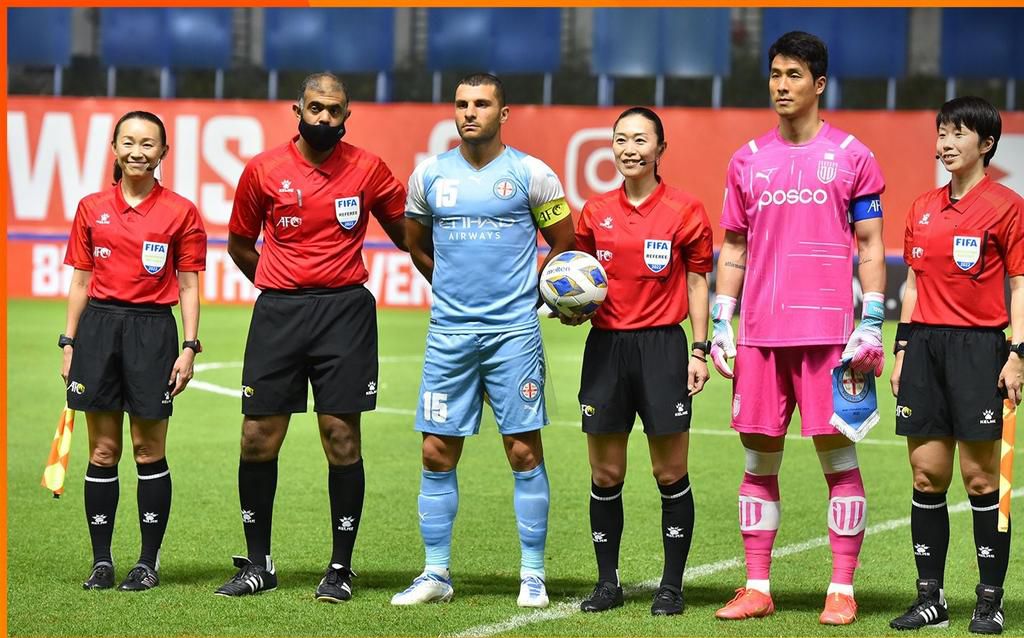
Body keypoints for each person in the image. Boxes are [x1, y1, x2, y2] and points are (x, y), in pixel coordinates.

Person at [709, 31, 887, 625]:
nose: (781, 86)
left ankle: (842, 589)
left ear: (819, 83)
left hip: (829, 339)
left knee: (840, 463)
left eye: (793, 75)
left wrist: (873, 320)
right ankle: (757, 586)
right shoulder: (747, 159)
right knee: (758, 463)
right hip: (760, 335)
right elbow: (735, 245)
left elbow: (870, 244)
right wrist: (721, 320)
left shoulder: (853, 156)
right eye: (775, 74)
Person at [214, 72, 407, 602]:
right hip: (279, 313)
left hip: (345, 313)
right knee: (257, 436)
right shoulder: (262, 169)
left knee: (341, 436)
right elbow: (239, 244)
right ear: (297, 109)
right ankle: (258, 564)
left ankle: (340, 568)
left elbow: (410, 237)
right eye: (316, 108)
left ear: (347, 115)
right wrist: (280, 285)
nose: (325, 117)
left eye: (334, 110)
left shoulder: (369, 168)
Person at [391, 73, 575, 609]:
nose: (470, 112)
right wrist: (448, 286)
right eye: (462, 104)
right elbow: (415, 244)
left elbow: (564, 242)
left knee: (523, 449)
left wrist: (533, 295)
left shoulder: (532, 174)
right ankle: (436, 573)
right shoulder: (429, 175)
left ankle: (533, 575)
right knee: (435, 450)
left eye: (481, 104)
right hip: (449, 334)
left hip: (514, 335)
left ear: (503, 113)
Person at [569, 107, 713, 616]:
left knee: (669, 470)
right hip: (606, 348)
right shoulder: (594, 211)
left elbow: (697, 281)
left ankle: (671, 586)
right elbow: (578, 276)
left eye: (639, 140)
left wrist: (699, 348)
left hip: (662, 349)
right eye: (620, 139)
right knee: (606, 472)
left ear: (660, 149)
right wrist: (572, 309)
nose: (629, 149)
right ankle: (607, 583)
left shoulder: (685, 209)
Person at [888, 96, 1023, 634]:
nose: (945, 143)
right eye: (941, 132)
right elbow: (912, 284)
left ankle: (989, 600)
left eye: (958, 133)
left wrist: (1017, 353)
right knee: (927, 475)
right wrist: (902, 350)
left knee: (982, 480)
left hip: (980, 349)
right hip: (924, 347)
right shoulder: (922, 205)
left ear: (986, 144)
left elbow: (1020, 286)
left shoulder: (1007, 206)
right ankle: (931, 599)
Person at [63, 110, 207, 592]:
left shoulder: (181, 211)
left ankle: (147, 562)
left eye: (148, 143)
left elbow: (189, 285)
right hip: (98, 331)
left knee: (148, 450)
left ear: (163, 152)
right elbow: (81, 281)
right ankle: (101, 562)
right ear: (114, 148)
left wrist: (189, 347)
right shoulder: (91, 207)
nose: (137, 152)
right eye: (128, 142)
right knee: (103, 451)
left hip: (153, 332)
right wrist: (69, 342)